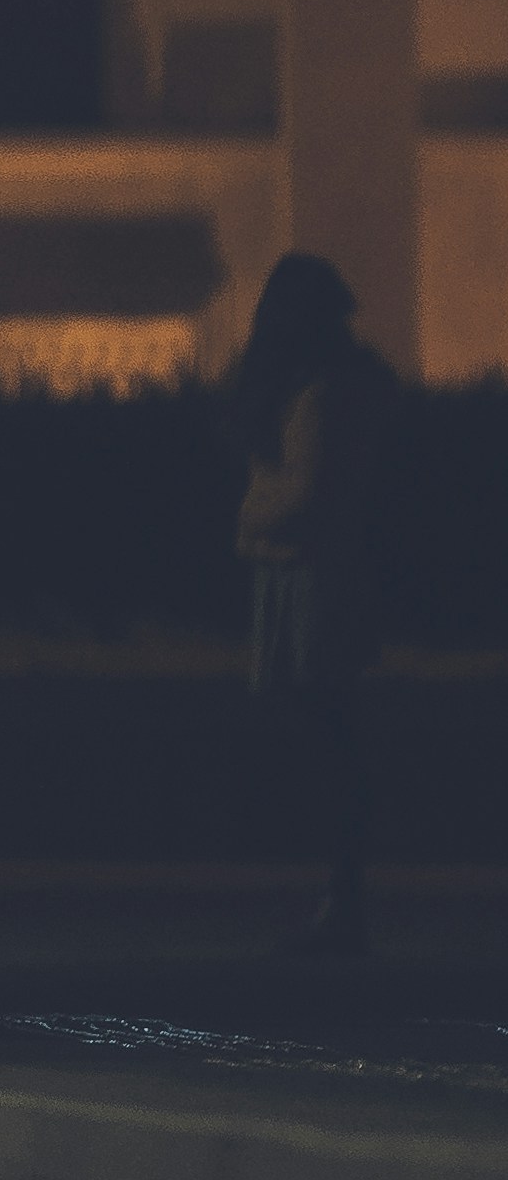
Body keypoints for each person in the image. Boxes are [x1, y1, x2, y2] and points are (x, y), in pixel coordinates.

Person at [230, 252, 402, 962]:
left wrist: (249, 515)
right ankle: (342, 896)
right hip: (321, 573)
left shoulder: (318, 394)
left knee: (332, 738)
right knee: (334, 735)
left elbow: (304, 492)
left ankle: (343, 898)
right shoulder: (345, 386)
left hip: (310, 578)